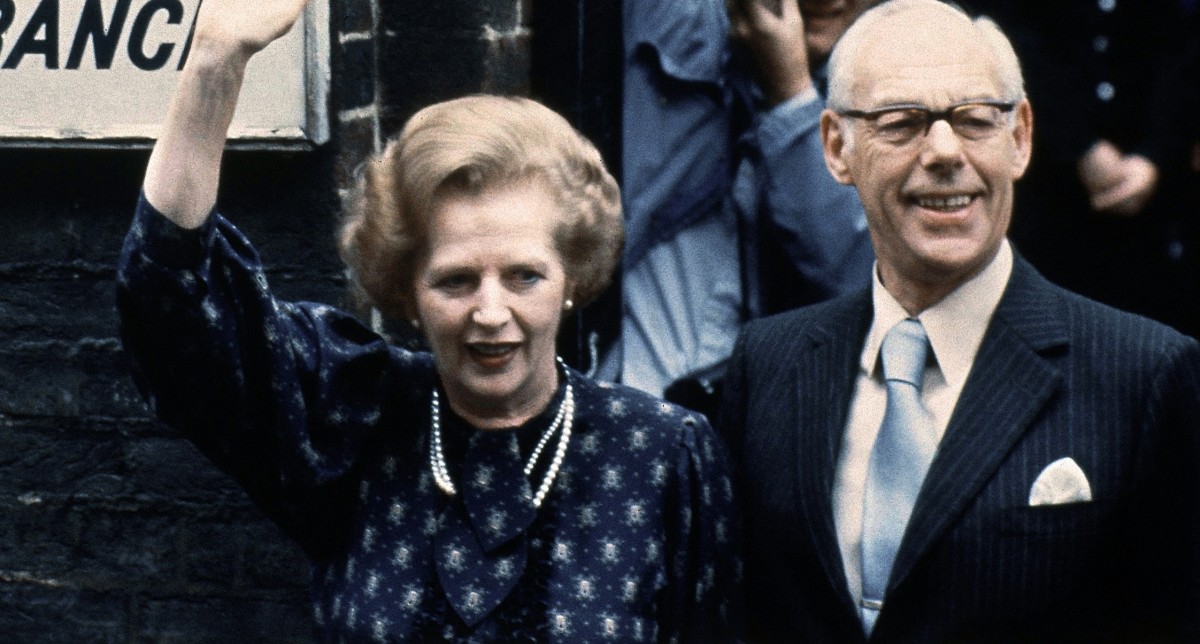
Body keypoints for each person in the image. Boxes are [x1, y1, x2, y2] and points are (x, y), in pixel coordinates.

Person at [115, 0, 740, 640]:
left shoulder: (666, 455)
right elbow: (175, 311)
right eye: (455, 280)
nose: (491, 313)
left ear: (572, 278)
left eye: (525, 276)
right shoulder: (352, 415)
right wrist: (216, 61)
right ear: (407, 291)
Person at [719, 0, 1200, 641]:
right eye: (901, 123)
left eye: (975, 120)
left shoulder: (1143, 375)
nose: (944, 151)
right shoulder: (766, 366)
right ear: (836, 146)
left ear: (1020, 138)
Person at [595, 0, 876, 418]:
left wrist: (790, 93)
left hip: (764, 427)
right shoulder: (666, 22)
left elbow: (857, 276)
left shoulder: (888, 70)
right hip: (627, 404)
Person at [975, 0, 1200, 339]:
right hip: (1044, 188)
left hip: (1155, 201)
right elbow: (1007, 38)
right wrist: (1080, 145)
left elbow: (1179, 49)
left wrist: (1153, 156)